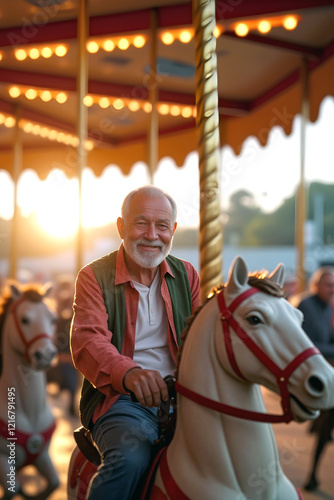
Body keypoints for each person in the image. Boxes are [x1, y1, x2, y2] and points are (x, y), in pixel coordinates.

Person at [70, 185, 201, 499]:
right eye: (141, 223)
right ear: (121, 227)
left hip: (182, 395)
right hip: (124, 399)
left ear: (174, 230)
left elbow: (201, 338)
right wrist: (128, 374)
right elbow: (88, 339)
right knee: (129, 459)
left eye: (162, 226)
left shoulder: (187, 275)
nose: (152, 235)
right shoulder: (93, 276)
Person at [296, 266, 334, 491]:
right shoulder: (306, 306)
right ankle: (321, 423)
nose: (332, 290)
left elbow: (329, 339)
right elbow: (307, 343)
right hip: (309, 368)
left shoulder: (328, 308)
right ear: (316, 285)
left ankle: (322, 424)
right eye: (329, 285)